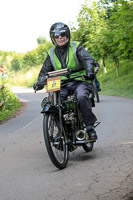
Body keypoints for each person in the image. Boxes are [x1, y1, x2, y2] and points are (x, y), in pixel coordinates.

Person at [33, 22, 98, 140]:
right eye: (56, 36)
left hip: (79, 81)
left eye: (62, 34)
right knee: (54, 103)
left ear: (67, 35)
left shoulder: (76, 47)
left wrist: (89, 72)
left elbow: (87, 60)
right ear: (53, 39)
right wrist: (39, 83)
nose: (60, 38)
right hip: (61, 84)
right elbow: (44, 71)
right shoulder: (51, 53)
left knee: (82, 96)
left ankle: (89, 127)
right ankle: (62, 129)